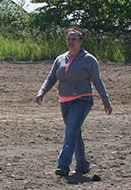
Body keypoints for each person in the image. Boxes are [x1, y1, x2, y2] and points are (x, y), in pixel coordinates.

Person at [34, 27, 113, 178]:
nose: (70, 42)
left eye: (73, 39)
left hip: (82, 100)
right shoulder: (60, 59)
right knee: (74, 133)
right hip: (64, 101)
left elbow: (97, 81)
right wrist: (42, 92)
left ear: (80, 41)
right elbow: (51, 78)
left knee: (70, 132)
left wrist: (106, 101)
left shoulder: (89, 60)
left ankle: (63, 166)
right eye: (68, 39)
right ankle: (82, 164)